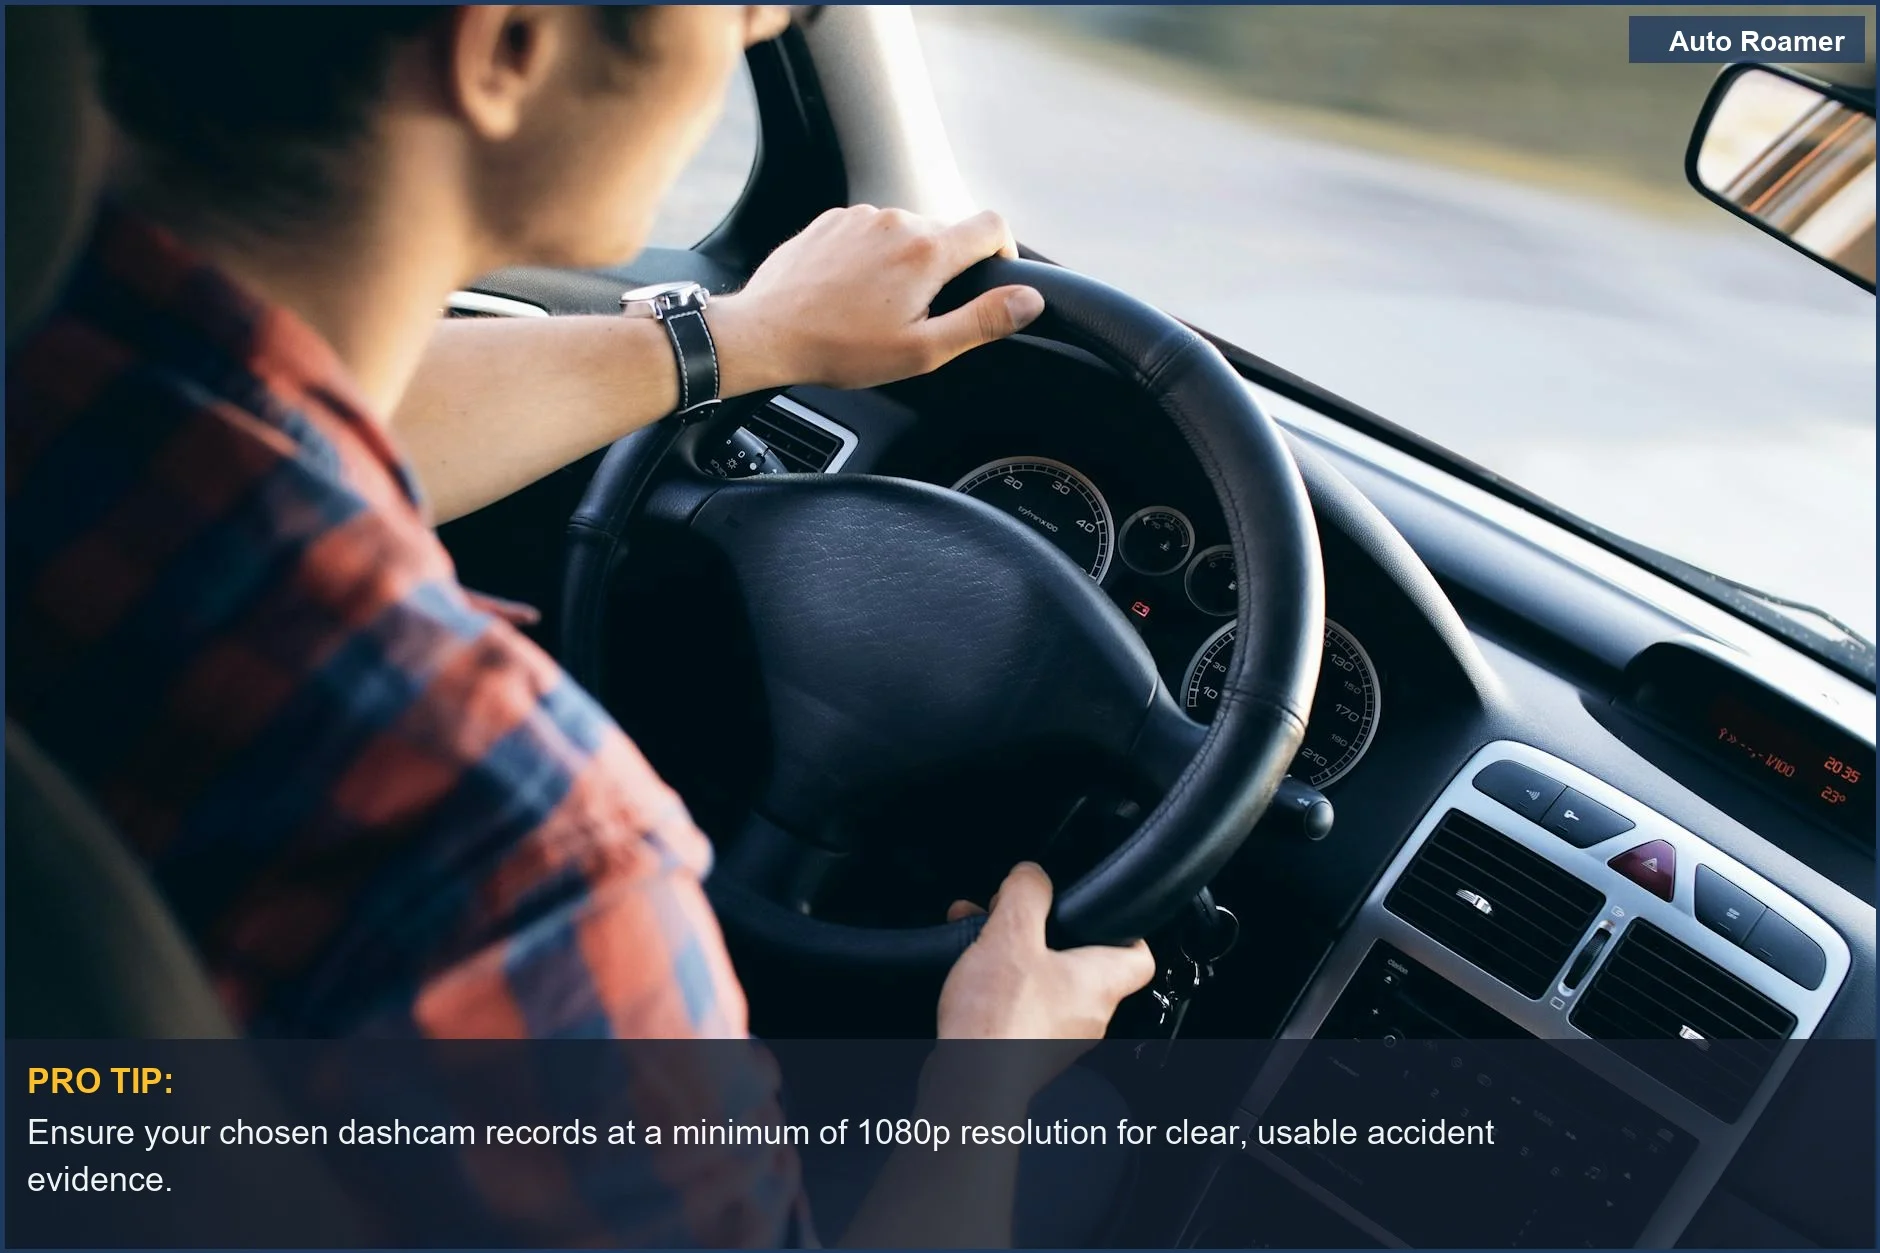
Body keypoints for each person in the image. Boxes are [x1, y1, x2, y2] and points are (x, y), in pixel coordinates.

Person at [6, 6, 1155, 1245]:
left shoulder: (59, 370)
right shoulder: (514, 859)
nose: (758, 25)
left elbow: (291, 420)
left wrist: (742, 339)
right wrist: (982, 1084)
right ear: (506, 46)